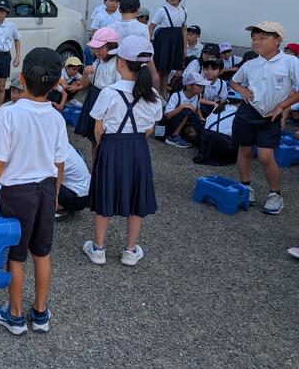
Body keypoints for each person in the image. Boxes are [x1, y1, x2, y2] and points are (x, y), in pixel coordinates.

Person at [0, 47, 67, 335]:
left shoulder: (9, 114)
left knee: (16, 255)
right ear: (56, 83)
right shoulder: (56, 117)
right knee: (42, 252)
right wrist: (55, 193)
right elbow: (59, 162)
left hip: (16, 192)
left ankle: (16, 315)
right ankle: (40, 313)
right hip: (46, 189)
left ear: (21, 78)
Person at [83, 36, 161, 267]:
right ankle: (130, 250)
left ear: (120, 62)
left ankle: (98, 249)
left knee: (105, 195)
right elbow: (149, 129)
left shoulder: (109, 92)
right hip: (138, 147)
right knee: (136, 197)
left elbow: (98, 128)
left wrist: (106, 145)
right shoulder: (153, 95)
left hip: (110, 145)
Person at [230, 21, 299, 215]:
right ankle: (246, 187)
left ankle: (275, 194)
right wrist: (242, 90)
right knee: (244, 150)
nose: (256, 42)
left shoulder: (290, 62)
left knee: (265, 156)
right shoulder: (251, 64)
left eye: (262, 38)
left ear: (278, 40)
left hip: (271, 116)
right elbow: (234, 82)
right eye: (253, 38)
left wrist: (282, 106)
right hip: (247, 112)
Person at [0, 142, 89, 222]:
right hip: (81, 192)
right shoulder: (53, 138)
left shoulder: (43, 148)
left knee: (36, 184)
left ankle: (54, 208)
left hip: (75, 196)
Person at [74, 27, 120, 163]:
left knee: (104, 138)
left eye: (101, 48)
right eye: (94, 49)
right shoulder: (98, 61)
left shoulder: (117, 64)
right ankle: (94, 168)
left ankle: (103, 167)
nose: (96, 52)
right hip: (94, 96)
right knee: (94, 138)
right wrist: (85, 72)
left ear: (111, 47)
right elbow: (85, 84)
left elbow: (118, 90)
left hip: (108, 101)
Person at [150, 0, 188, 98]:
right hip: (163, 42)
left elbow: (184, 30)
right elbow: (151, 26)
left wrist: (184, 47)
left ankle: (163, 94)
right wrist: (149, 42)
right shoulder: (162, 10)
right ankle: (155, 95)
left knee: (167, 70)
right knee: (159, 69)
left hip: (176, 42)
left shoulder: (184, 11)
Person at [193, 92, 241, 166]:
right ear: (241, 102)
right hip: (221, 143)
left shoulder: (218, 107)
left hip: (205, 141)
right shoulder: (239, 112)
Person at [163, 72, 208, 149]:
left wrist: (201, 118)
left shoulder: (197, 96)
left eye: (203, 86)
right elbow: (167, 116)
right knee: (187, 110)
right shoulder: (176, 96)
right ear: (188, 86)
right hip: (171, 124)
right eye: (199, 85)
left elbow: (197, 108)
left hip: (186, 124)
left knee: (193, 134)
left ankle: (182, 136)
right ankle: (174, 137)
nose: (202, 88)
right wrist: (181, 107)